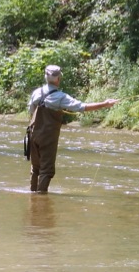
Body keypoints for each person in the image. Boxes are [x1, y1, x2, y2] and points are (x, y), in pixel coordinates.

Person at [27, 65, 118, 193]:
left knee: (35, 168)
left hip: (32, 135)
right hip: (47, 138)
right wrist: (105, 103)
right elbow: (83, 107)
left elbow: (31, 112)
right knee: (46, 171)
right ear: (58, 79)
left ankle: (32, 197)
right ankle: (40, 200)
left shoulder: (36, 93)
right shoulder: (60, 97)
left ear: (46, 78)